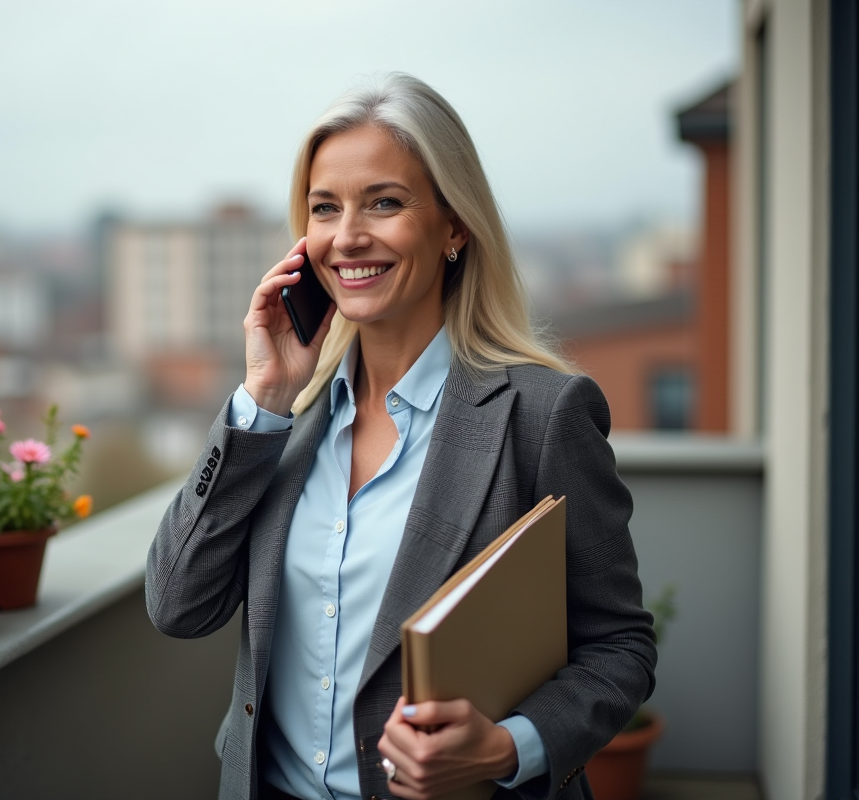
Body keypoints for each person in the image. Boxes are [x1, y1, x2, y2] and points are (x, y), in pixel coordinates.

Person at [145, 73, 656, 800]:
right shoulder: (283, 421)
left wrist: (507, 747)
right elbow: (176, 605)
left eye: (384, 202)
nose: (348, 236)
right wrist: (263, 399)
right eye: (326, 208)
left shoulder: (544, 414)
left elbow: (620, 647)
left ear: (454, 225)